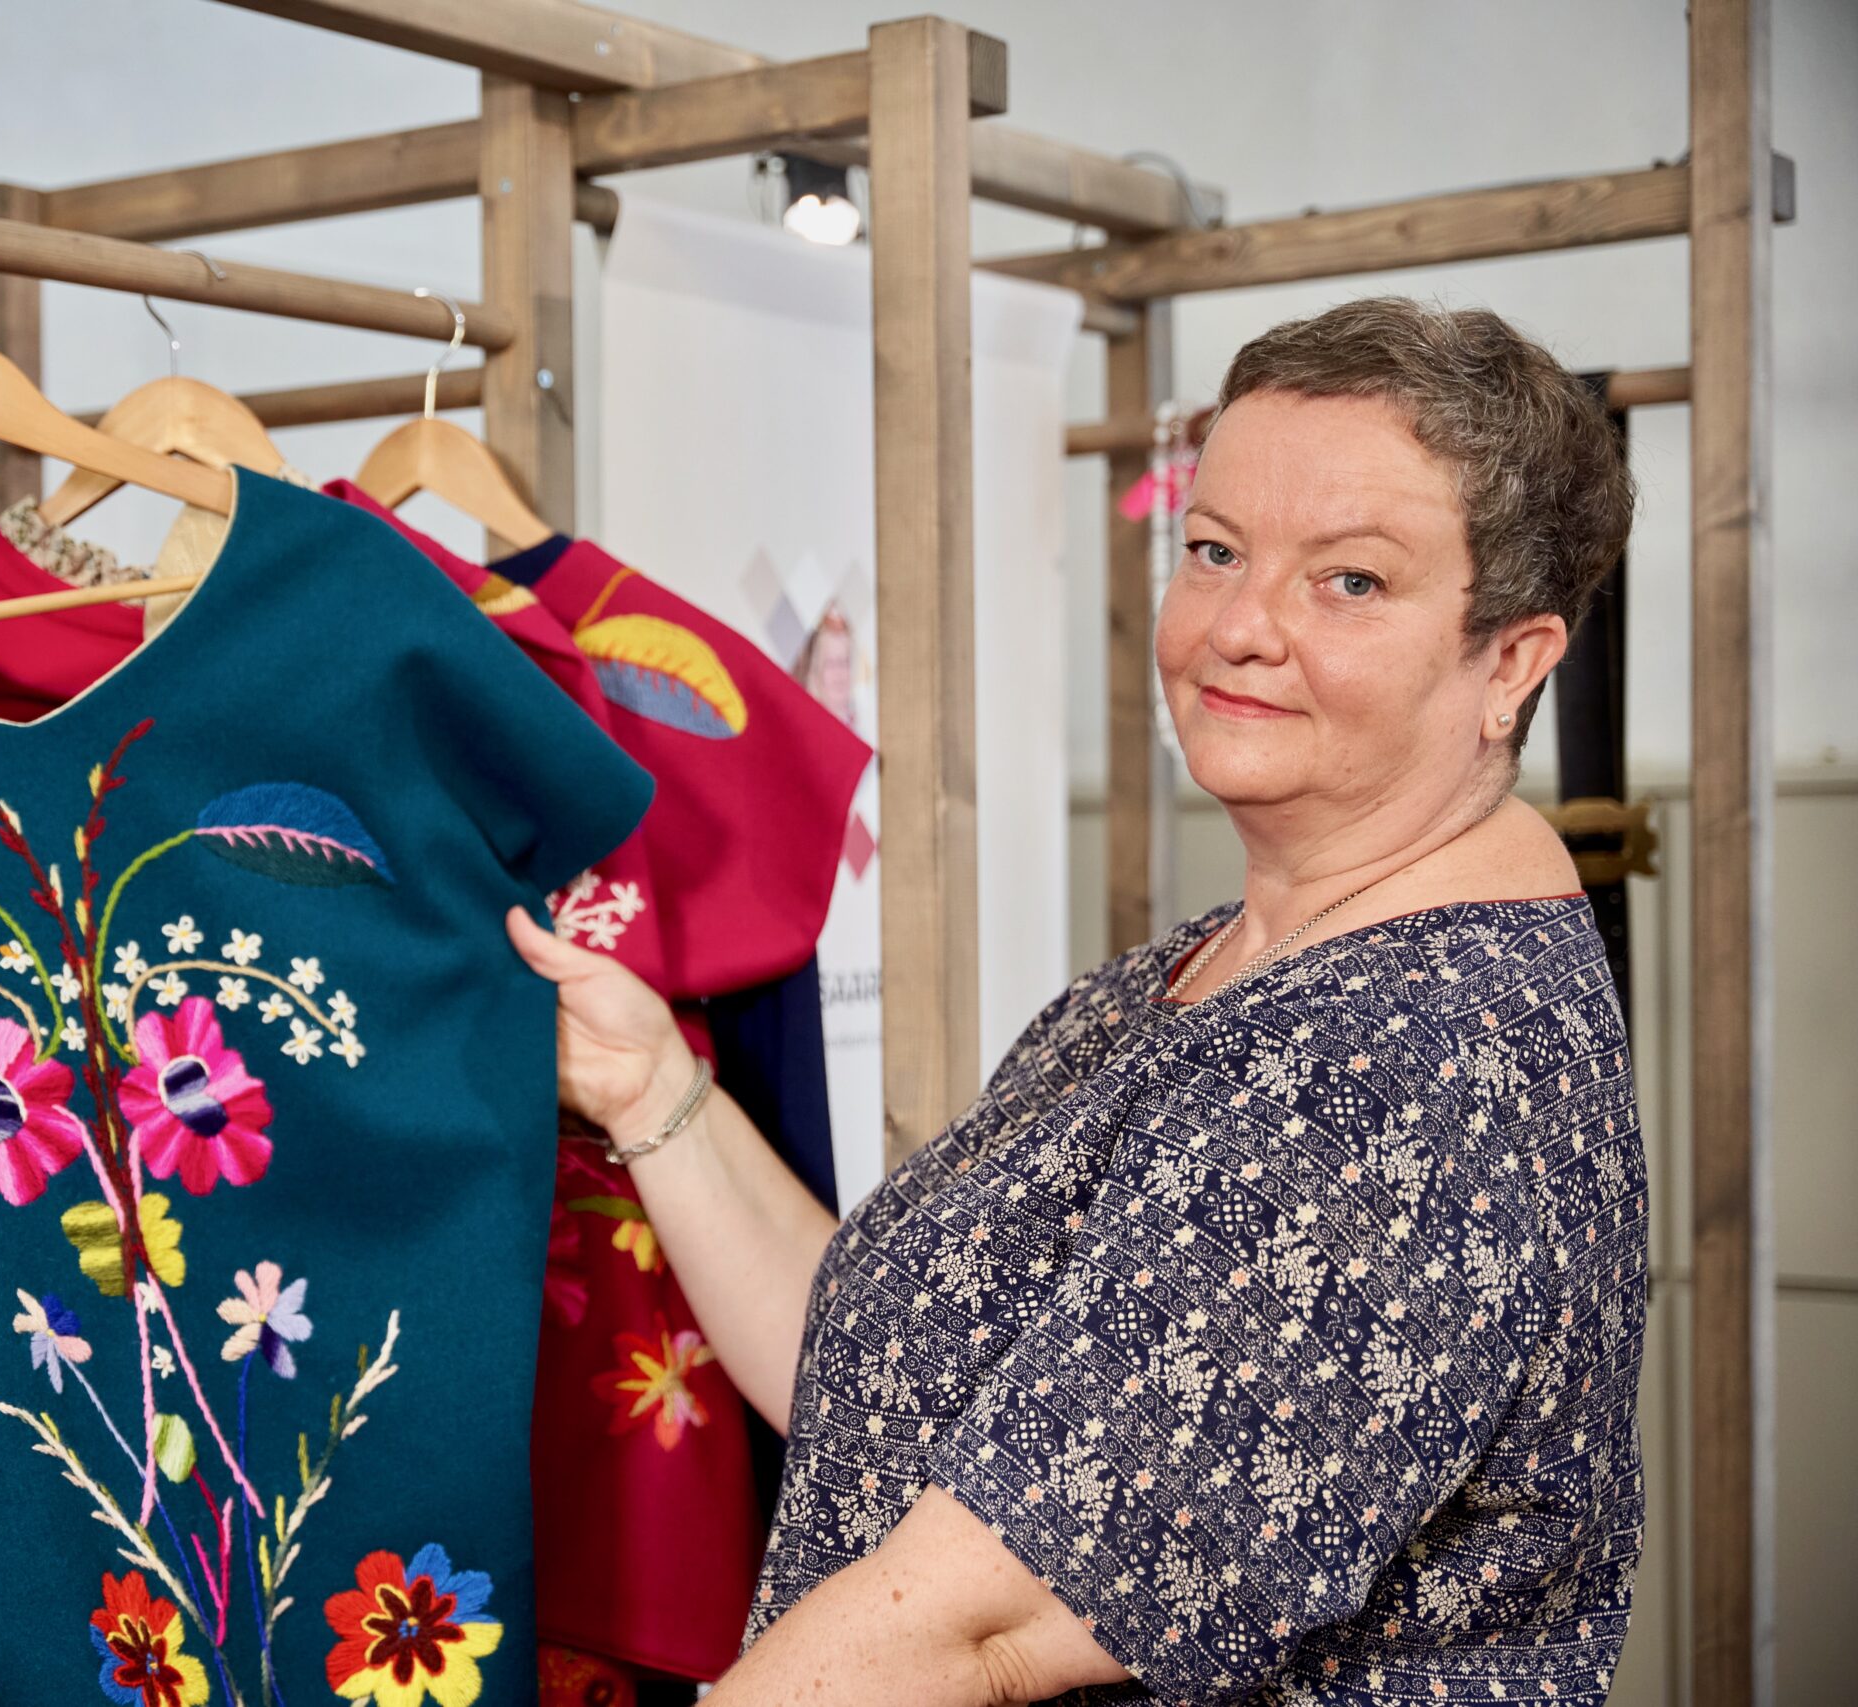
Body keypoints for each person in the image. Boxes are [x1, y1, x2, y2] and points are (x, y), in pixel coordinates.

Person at [507, 297, 1646, 1705]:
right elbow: (903, 1403)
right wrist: (650, 1091)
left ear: (1514, 661)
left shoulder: (1408, 1067)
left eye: (1348, 581)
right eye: (1216, 551)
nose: (1240, 627)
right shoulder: (1187, 978)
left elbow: (974, 1623)